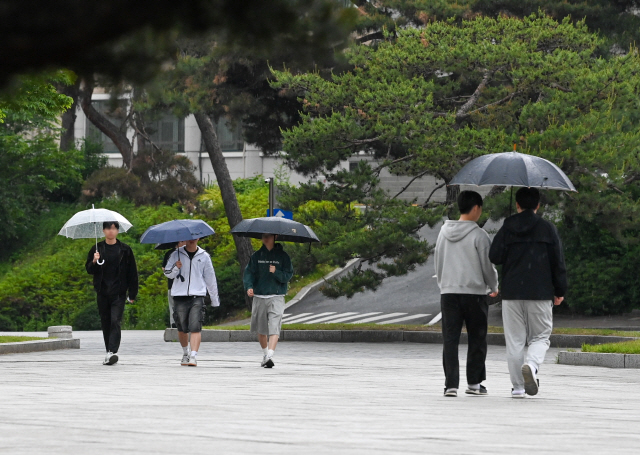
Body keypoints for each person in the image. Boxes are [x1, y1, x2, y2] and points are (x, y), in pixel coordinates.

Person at [489, 187, 567, 398]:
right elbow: (557, 262)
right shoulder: (547, 228)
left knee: (514, 340)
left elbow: (494, 255)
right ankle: (531, 366)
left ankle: (517, 388)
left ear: (517, 205)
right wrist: (560, 290)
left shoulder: (508, 226)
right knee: (541, 336)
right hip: (540, 292)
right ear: (538, 205)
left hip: (513, 292)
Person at [434, 191, 499, 398]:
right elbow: (487, 266)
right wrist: (493, 285)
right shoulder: (479, 235)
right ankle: (474, 383)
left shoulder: (443, 232)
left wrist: (444, 284)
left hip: (449, 292)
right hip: (475, 293)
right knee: (477, 338)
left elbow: (438, 261)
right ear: (476, 208)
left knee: (450, 339)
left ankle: (450, 385)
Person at [85, 221, 138, 366]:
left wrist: (132, 293)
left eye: (114, 228)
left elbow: (132, 272)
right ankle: (108, 351)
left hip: (119, 293)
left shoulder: (125, 250)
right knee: (106, 322)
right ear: (103, 230)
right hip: (102, 292)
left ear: (118, 231)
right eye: (108, 228)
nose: (111, 231)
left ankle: (112, 351)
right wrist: (94, 261)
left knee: (115, 320)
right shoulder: (97, 248)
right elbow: (89, 269)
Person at [164, 238, 220, 367]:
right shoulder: (176, 254)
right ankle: (185, 352)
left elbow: (210, 278)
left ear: (198, 238)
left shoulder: (204, 256)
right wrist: (175, 268)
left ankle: (194, 355)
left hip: (197, 295)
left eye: (194, 238)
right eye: (188, 238)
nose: (191, 240)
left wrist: (214, 299)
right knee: (182, 328)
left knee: (195, 326)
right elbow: (167, 273)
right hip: (179, 295)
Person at [244, 233, 293, 368]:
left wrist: (276, 271)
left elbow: (288, 276)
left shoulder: (283, 257)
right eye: (263, 236)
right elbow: (249, 273)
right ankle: (265, 354)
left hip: (276, 297)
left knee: (274, 327)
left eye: (269, 236)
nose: (266, 238)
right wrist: (249, 287)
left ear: (275, 237)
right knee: (261, 330)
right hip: (259, 296)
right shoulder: (256, 256)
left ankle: (270, 355)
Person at [162, 241, 186, 328]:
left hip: (172, 284)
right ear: (180, 242)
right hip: (178, 285)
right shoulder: (185, 253)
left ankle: (174, 324)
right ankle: (179, 324)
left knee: (173, 306)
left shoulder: (168, 253)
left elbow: (164, 269)